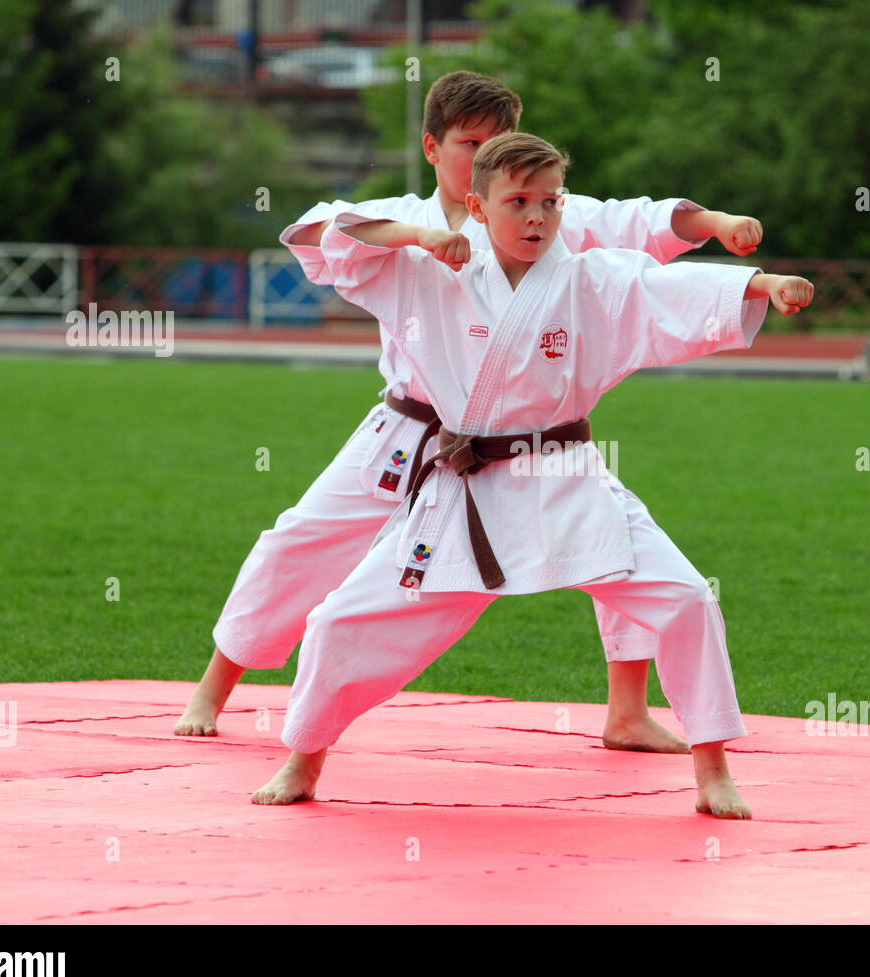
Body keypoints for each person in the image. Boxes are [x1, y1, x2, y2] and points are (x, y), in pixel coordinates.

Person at [175, 71, 765, 753]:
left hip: (523, 438)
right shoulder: (407, 217)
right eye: (470, 141)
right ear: (432, 147)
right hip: (409, 427)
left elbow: (642, 218)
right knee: (302, 538)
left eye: (500, 139)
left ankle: (626, 712)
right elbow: (322, 231)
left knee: (609, 543)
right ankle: (214, 684)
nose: (484, 152)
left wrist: (720, 225)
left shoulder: (544, 211)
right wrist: (415, 238)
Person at [250, 132, 814, 818]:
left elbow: (667, 287)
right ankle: (303, 760)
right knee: (342, 619)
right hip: (465, 495)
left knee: (688, 599)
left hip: (566, 483)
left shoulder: (587, 277)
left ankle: (713, 770)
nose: (537, 217)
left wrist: (761, 283)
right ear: (477, 207)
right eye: (517, 202)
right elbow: (323, 230)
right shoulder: (427, 267)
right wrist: (421, 235)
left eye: (549, 202)